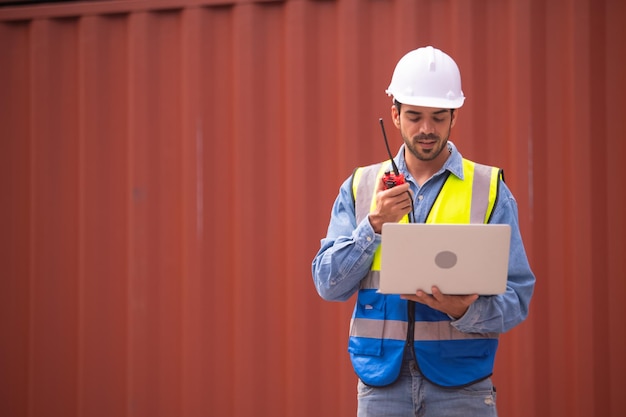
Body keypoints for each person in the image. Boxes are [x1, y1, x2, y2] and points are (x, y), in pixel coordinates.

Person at [311, 46, 535, 417]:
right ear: (395, 115)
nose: (427, 129)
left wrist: (466, 311)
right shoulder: (362, 186)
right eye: (414, 116)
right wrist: (373, 226)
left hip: (462, 388)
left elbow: (518, 298)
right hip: (382, 386)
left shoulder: (489, 188)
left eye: (438, 117)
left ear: (454, 118)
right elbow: (327, 284)